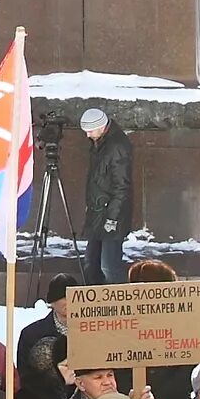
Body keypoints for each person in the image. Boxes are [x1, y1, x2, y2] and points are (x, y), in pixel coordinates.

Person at [81, 108, 134, 284]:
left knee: (109, 266)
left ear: (102, 126)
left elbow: (121, 187)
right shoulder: (102, 143)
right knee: (91, 263)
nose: (88, 135)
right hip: (99, 212)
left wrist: (112, 219)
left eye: (90, 130)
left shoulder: (116, 147)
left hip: (111, 215)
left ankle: (121, 306)